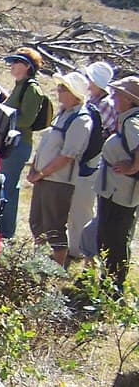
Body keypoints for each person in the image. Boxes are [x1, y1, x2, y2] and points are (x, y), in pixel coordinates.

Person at [27, 71, 93, 267]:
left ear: (75, 94)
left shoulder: (81, 120)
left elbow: (67, 156)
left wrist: (42, 172)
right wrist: (35, 170)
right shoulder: (63, 114)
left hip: (59, 182)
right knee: (36, 223)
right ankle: (36, 265)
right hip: (44, 178)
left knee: (53, 226)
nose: (58, 91)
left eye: (63, 88)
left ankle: (56, 269)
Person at [94, 75, 139, 290]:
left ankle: (113, 288)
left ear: (130, 100)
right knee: (107, 238)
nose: (114, 97)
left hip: (121, 193)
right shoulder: (127, 119)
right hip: (114, 190)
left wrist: (132, 168)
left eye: (118, 94)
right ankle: (107, 284)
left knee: (115, 240)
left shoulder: (132, 122)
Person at [0, 48, 47, 239]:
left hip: (18, 144)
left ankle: (6, 231)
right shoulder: (20, 85)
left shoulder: (32, 88)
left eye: (16, 62)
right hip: (10, 143)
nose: (12, 66)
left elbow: (26, 120)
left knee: (8, 187)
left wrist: (2, 116)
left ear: (27, 66)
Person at [67, 61, 115, 260]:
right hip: (89, 161)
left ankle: (79, 249)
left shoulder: (104, 106)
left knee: (82, 207)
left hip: (94, 163)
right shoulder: (96, 102)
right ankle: (75, 246)